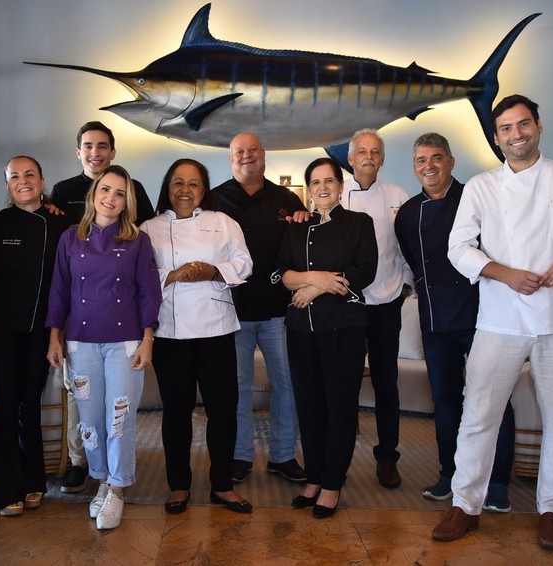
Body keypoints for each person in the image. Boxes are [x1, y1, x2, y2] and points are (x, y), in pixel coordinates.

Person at [432, 95, 553, 551]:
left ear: (538, 126)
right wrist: (504, 273)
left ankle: (552, 510)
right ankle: (465, 504)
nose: (517, 134)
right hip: (500, 318)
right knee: (478, 414)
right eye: (507, 128)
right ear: (497, 138)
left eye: (523, 124)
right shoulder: (481, 186)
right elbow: (458, 247)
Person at [394, 133, 515, 512]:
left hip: (483, 316)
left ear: (451, 161)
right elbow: (414, 261)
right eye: (421, 160)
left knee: (493, 399)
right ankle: (450, 473)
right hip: (435, 320)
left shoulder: (475, 198)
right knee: (445, 401)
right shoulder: (409, 213)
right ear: (414, 166)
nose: (428, 166)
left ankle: (497, 481)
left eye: (436, 158)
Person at [46, 165, 161, 530]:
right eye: (105, 190)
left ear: (128, 202)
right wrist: (54, 336)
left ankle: (118, 489)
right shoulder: (71, 237)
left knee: (119, 420)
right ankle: (101, 481)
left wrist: (147, 339)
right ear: (93, 194)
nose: (111, 198)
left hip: (124, 344)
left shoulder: (138, 240)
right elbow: (59, 290)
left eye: (120, 193)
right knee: (90, 422)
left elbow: (149, 292)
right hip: (81, 343)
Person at [140, 159, 254, 515]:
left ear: (204, 190)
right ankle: (179, 484)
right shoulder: (148, 228)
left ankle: (223, 485)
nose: (185, 190)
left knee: (223, 409)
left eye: (193, 183)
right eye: (178, 182)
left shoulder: (223, 222)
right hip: (170, 331)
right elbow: (138, 274)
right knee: (176, 412)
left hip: (216, 328)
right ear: (167, 188)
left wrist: (212, 271)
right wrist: (173, 274)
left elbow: (245, 263)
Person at [274, 157, 377, 519]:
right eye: (315, 182)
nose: (322, 188)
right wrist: (313, 279)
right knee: (309, 405)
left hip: (344, 328)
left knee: (340, 406)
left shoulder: (359, 223)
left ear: (340, 185)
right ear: (309, 189)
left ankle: (333, 483)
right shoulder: (296, 227)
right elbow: (281, 274)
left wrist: (316, 288)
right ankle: (315, 476)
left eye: (329, 181)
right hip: (300, 329)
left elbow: (365, 270)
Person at [212, 132, 307, 484]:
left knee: (288, 383)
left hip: (279, 311)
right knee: (236, 388)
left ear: (264, 156)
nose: (247, 156)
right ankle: (240, 456)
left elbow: (302, 247)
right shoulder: (214, 199)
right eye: (239, 151)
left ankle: (283, 455)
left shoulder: (288, 199)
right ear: (231, 158)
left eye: (253, 150)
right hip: (231, 311)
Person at [0, 156, 73, 516]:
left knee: (30, 401)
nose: (23, 181)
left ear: (42, 180)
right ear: (7, 184)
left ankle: (33, 478)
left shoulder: (61, 223)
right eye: (14, 176)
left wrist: (58, 332)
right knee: (6, 400)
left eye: (30, 174)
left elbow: (64, 282)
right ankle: (3, 489)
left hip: (42, 328)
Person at [340, 129, 413, 489]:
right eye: (362, 152)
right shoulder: (334, 193)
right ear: (350, 158)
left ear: (382, 159)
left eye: (375, 152)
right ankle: (337, 461)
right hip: (346, 305)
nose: (369, 157)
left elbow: (407, 246)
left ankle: (387, 457)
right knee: (344, 385)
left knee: (386, 384)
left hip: (386, 302)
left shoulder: (397, 195)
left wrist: (405, 286)